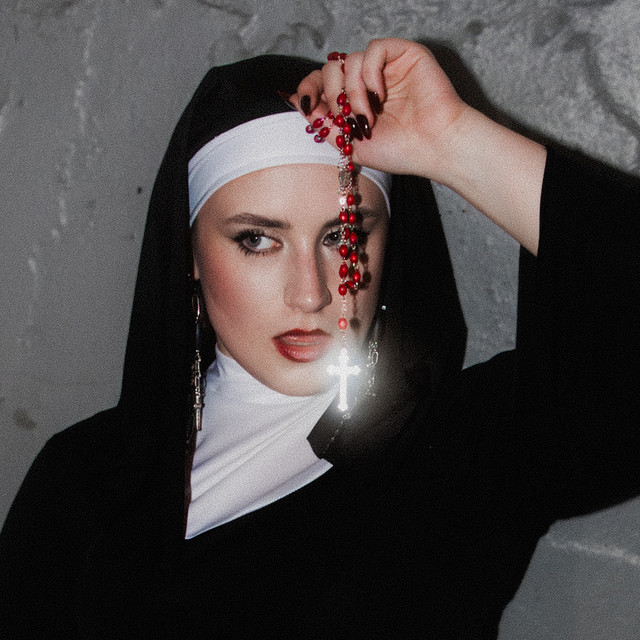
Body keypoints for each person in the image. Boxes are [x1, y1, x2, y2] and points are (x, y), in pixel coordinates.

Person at [0, 37, 638, 639]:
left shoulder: (465, 450)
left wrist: (454, 143)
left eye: (343, 237)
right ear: (189, 254)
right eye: (257, 239)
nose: (310, 294)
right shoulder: (84, 476)